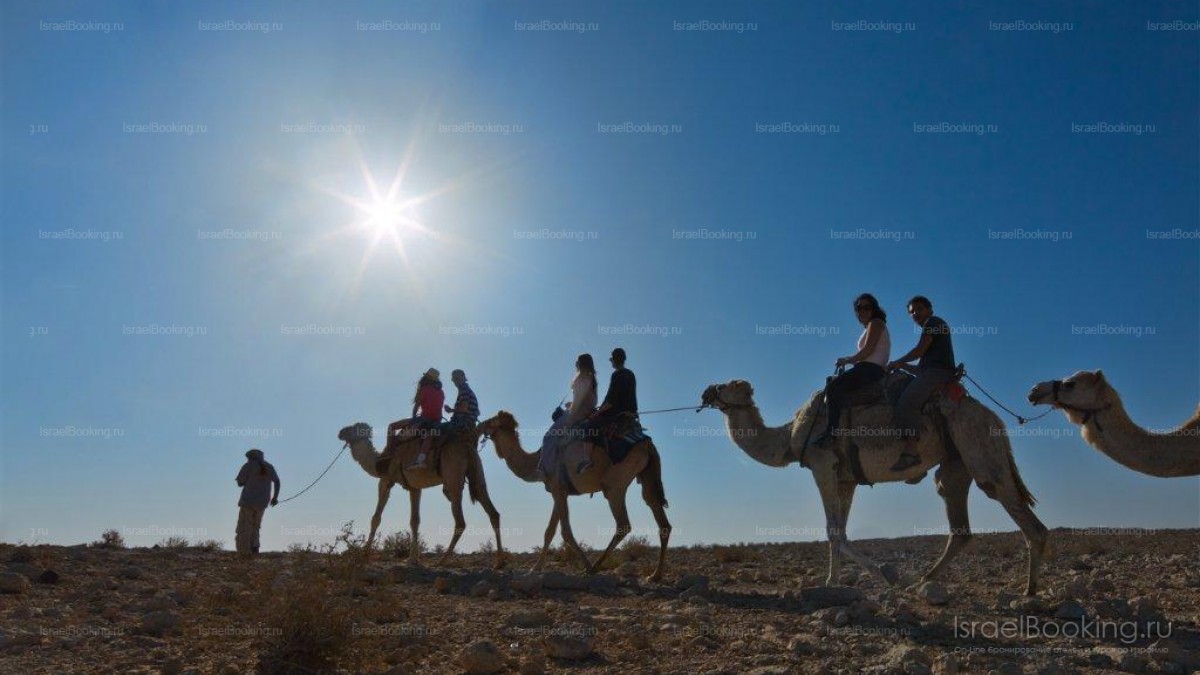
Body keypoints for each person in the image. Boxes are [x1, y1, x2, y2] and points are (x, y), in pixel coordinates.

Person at [887, 296, 957, 471]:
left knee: (907, 401)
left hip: (938, 374)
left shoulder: (933, 323)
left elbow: (919, 351)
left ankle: (911, 452)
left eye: (919, 309)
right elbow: (921, 370)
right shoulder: (933, 326)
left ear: (929, 309)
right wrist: (902, 366)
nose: (915, 313)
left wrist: (897, 361)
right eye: (912, 312)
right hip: (933, 373)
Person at [814, 293, 891, 447]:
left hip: (870, 369)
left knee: (833, 388)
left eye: (866, 307)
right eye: (859, 308)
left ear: (874, 309)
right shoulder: (871, 326)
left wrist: (847, 360)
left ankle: (831, 435)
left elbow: (868, 349)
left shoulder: (876, 322)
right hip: (868, 368)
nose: (862, 310)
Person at [537, 354, 598, 477]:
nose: (575, 364)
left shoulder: (581, 377)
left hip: (577, 415)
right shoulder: (592, 379)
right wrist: (572, 404)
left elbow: (578, 403)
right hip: (588, 412)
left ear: (580, 364)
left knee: (548, 437)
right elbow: (591, 400)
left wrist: (570, 416)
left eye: (577, 362)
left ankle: (546, 470)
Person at [379, 369, 444, 474]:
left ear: (426, 378)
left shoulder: (424, 389)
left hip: (423, 419)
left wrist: (414, 419)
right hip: (437, 421)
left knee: (391, 426)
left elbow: (416, 407)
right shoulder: (441, 392)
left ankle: (388, 451)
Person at [235, 448, 280, 557]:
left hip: (248, 501)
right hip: (262, 502)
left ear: (250, 457)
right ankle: (255, 548)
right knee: (256, 526)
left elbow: (240, 483)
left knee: (245, 525)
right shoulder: (269, 467)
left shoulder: (248, 466)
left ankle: (244, 552)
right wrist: (275, 498)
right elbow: (277, 482)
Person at [590, 347, 638, 429]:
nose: (611, 362)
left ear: (614, 360)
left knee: (586, 428)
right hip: (631, 415)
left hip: (616, 415)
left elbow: (610, 400)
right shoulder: (630, 373)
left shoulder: (616, 374)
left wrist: (597, 413)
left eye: (612, 359)